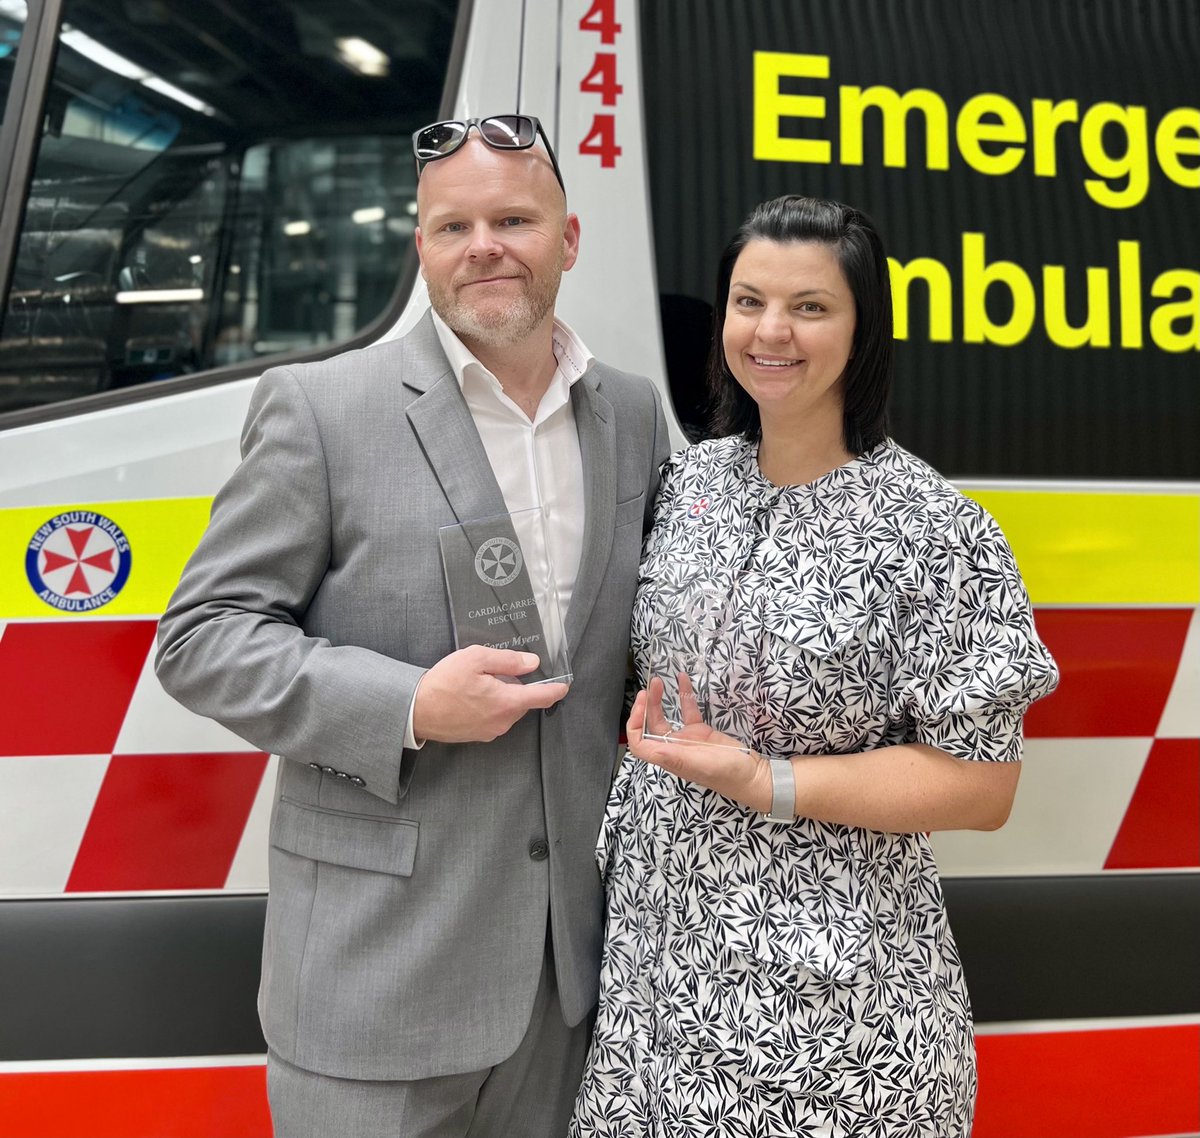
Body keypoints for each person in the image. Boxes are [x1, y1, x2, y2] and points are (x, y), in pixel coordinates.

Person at [156, 114, 668, 1138]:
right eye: (452, 226)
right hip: (374, 985)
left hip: (563, 989)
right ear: (422, 249)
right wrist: (410, 705)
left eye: (514, 219)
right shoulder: (319, 409)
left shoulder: (633, 414)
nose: (484, 246)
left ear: (567, 241)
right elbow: (202, 636)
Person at [570, 195, 1058, 1137]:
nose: (771, 332)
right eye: (748, 302)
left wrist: (765, 779)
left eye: (810, 307)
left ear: (862, 328)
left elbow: (983, 786)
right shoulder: (689, 484)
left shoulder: (933, 529)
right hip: (655, 1004)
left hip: (831, 1017)